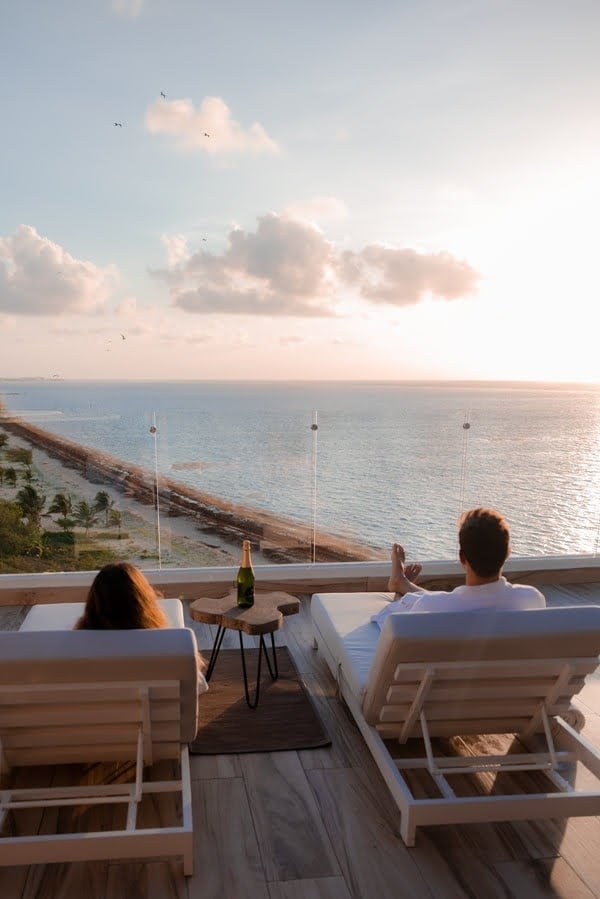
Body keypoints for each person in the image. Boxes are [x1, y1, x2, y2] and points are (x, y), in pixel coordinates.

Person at [371, 507, 545, 628]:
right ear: (507, 553)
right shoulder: (531, 599)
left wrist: (398, 598)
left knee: (430, 600)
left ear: (462, 558)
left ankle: (401, 585)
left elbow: (392, 625)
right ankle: (403, 584)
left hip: (440, 671)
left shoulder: (429, 607)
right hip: (507, 673)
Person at [76, 562, 208, 684]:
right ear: (143, 602)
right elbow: (198, 686)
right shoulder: (170, 648)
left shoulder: (74, 649)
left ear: (93, 604)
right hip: (151, 702)